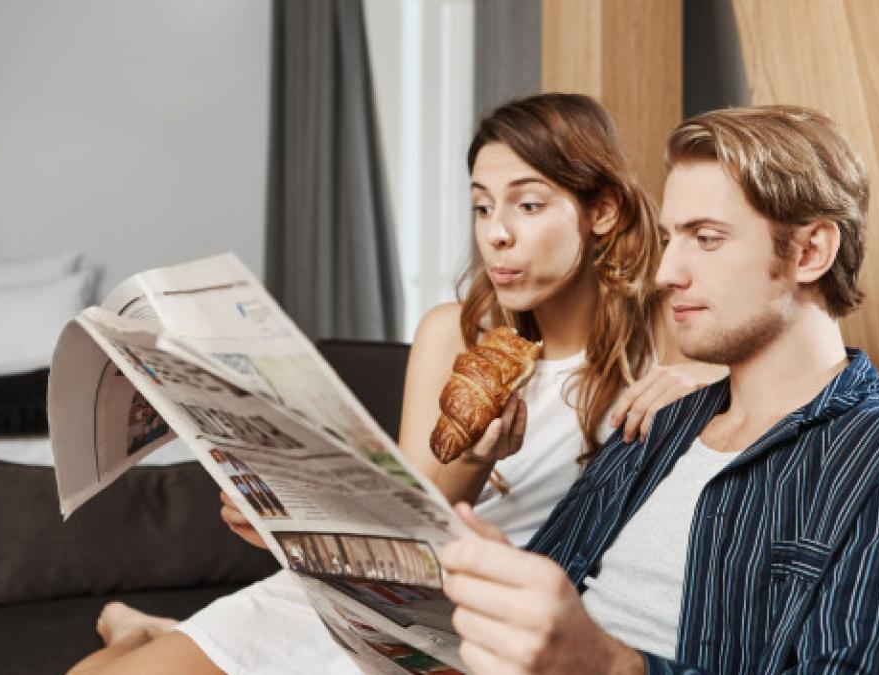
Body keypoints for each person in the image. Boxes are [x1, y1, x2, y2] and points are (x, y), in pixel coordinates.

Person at [68, 93, 724, 675]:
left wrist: (710, 374)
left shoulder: (666, 335)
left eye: (528, 204)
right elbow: (411, 522)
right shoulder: (452, 333)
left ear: (602, 210)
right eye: (481, 205)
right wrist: (286, 516)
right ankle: (146, 631)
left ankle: (149, 629)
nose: (496, 233)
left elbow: (788, 379)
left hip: (475, 627)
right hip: (379, 599)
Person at [439, 105, 879, 674]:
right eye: (669, 238)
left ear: (810, 252)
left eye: (706, 238)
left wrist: (608, 667)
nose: (666, 272)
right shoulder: (659, 419)